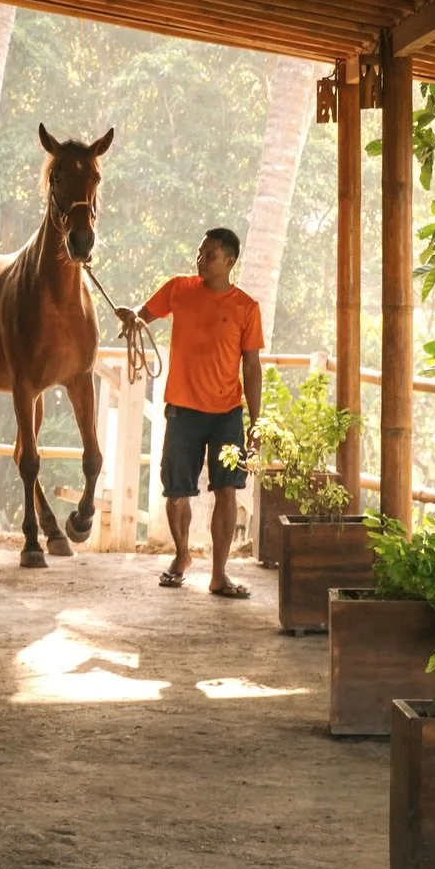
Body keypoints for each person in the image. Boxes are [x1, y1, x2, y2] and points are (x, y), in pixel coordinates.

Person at [115, 227, 264, 597]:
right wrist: (131, 316)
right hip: (182, 409)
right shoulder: (178, 290)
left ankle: (219, 574)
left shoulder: (246, 307)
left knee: (227, 490)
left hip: (227, 412)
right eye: (199, 253)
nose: (200, 260)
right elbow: (142, 316)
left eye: (209, 255)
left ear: (229, 262)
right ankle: (182, 557)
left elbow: (252, 366)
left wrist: (256, 420)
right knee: (177, 491)